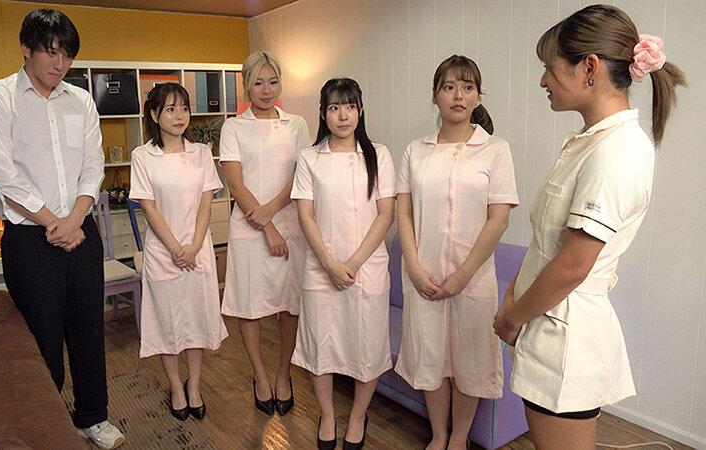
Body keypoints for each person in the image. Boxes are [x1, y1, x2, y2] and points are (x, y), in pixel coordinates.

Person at [492, 5, 686, 449]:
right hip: (546, 323)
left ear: (589, 68)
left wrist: (512, 317)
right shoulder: (589, 142)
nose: (543, 80)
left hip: (566, 338)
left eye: (549, 66)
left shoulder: (618, 151)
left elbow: (572, 266)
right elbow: (548, 245)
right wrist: (515, 297)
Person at [0, 9, 125, 449]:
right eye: (51, 52)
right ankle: (48, 426)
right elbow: (3, 176)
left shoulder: (81, 101)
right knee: (40, 338)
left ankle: (93, 417)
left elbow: (93, 165)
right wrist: (54, 222)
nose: (60, 64)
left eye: (68, 56)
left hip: (81, 230)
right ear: (26, 48)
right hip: (30, 239)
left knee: (89, 330)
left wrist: (75, 219)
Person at [396, 55, 519, 450]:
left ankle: (460, 438)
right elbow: (403, 212)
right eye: (449, 87)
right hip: (425, 275)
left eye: (467, 87)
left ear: (478, 95)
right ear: (435, 95)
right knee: (430, 357)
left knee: (471, 360)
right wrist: (414, 266)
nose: (458, 96)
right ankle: (439, 435)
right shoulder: (415, 151)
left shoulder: (495, 149)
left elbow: (499, 218)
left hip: (473, 277)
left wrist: (463, 275)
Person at [291, 78, 396, 450]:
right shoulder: (310, 158)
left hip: (366, 268)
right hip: (322, 268)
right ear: (323, 114)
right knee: (321, 346)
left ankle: (357, 416)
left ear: (360, 111)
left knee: (368, 347)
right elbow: (306, 216)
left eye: (350, 106)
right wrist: (330, 264)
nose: (342, 115)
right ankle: (327, 414)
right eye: (334, 107)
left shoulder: (378, 154)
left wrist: (352, 262)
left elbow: (386, 214)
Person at [219, 51, 312, 416]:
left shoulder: (297, 125)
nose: (266, 89)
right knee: (250, 304)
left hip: (290, 225)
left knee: (290, 304)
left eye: (273, 82)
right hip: (249, 228)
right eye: (258, 82)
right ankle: (259, 375)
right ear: (246, 85)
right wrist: (266, 225)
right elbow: (235, 184)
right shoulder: (233, 127)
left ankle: (283, 374)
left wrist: (272, 213)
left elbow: (302, 176)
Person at [129, 83, 228, 422]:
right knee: (167, 324)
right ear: (154, 114)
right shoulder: (143, 156)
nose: (179, 116)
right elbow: (149, 207)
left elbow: (206, 204)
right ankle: (175, 386)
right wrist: (175, 248)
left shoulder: (201, 153)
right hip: (163, 252)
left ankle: (194, 386)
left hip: (197, 250)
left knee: (197, 320)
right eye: (170, 109)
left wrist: (194, 245)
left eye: (184, 108)